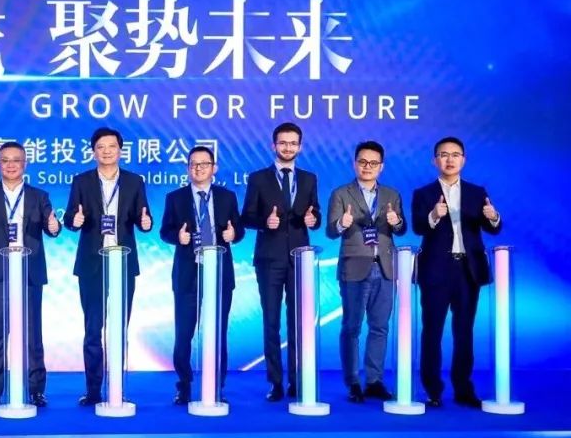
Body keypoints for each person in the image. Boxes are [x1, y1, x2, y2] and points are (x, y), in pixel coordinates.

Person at [0, 141, 61, 408]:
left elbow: (51, 226)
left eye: (16, 160)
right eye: (5, 160)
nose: (10, 165)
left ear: (25, 164)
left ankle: (36, 390)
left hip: (29, 272)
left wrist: (54, 227)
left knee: (32, 334)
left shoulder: (39, 196)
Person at [63, 127, 153, 406]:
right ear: (93, 152)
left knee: (119, 329)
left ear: (120, 150)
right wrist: (74, 221)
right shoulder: (82, 181)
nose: (106, 151)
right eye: (101, 147)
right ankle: (93, 390)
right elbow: (69, 217)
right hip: (92, 263)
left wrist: (146, 223)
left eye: (111, 146)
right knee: (93, 330)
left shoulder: (134, 181)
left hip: (123, 263)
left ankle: (117, 388)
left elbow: (143, 216)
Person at [411, 136, 502, 409]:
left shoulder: (477, 192)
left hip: (467, 270)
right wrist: (433, 215)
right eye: (443, 154)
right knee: (432, 331)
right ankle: (433, 390)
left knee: (464, 331)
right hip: (435, 270)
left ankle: (463, 388)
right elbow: (417, 227)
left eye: (455, 154)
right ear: (434, 160)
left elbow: (493, 228)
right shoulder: (423, 194)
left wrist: (493, 217)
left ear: (463, 159)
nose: (449, 159)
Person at [241, 122, 322, 402]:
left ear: (300, 147)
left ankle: (297, 381)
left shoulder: (309, 179)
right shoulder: (258, 178)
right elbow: (246, 217)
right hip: (269, 259)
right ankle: (275, 382)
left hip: (300, 260)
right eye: (283, 143)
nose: (288, 147)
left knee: (298, 323)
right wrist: (266, 222)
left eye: (293, 143)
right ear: (273, 145)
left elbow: (316, 214)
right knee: (271, 322)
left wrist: (313, 219)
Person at [159, 146, 244, 404]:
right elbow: (165, 231)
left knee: (218, 332)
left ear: (214, 168)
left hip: (219, 272)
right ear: (188, 169)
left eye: (204, 164)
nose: (198, 168)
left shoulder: (227, 197)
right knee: (184, 333)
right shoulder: (175, 198)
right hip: (188, 272)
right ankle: (184, 385)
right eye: (193, 164)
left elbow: (238, 229)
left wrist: (233, 235)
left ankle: (217, 385)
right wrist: (178, 237)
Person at [326, 141, 406, 404]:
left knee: (380, 327)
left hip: (385, 268)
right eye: (362, 162)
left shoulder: (392, 195)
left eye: (373, 163)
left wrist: (396, 222)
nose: (367, 167)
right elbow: (330, 231)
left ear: (381, 167)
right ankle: (352, 382)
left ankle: (374, 380)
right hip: (354, 268)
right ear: (355, 164)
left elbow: (401, 229)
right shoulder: (341, 193)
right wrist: (342, 223)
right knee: (351, 327)